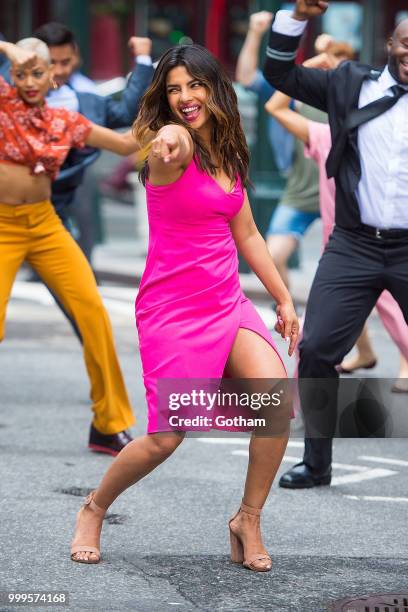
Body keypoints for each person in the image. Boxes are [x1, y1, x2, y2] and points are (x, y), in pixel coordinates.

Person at [70, 43, 299, 570]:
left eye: (193, 85)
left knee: (274, 404)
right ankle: (94, 507)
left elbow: (249, 235)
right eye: (173, 89)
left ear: (214, 87)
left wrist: (284, 299)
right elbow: (167, 141)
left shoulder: (229, 153)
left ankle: (248, 519)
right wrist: (168, 142)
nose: (184, 98)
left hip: (226, 301)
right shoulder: (170, 146)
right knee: (165, 437)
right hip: (173, 310)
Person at [263, 0, 408, 488]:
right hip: (354, 244)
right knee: (318, 349)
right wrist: (297, 18)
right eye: (406, 42)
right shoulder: (351, 85)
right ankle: (317, 463)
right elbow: (278, 73)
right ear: (390, 44)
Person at [0, 38, 142, 455]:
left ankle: (108, 424)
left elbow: (124, 144)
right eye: (21, 73)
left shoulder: (65, 120)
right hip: (3, 226)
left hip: (44, 224)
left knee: (93, 315)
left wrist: (168, 112)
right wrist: (10, 50)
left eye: (37, 72)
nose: (28, 81)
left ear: (53, 75)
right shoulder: (3, 106)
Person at [265, 83, 408, 398]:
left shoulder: (376, 140)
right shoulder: (327, 135)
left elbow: (274, 107)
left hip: (378, 249)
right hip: (346, 253)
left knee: (391, 321)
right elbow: (274, 108)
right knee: (318, 333)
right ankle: (310, 400)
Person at [236, 10, 328, 290]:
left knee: (346, 285)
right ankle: (293, 322)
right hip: (301, 193)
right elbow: (247, 77)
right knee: (272, 257)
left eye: (337, 52)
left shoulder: (352, 94)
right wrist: (254, 32)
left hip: (341, 195)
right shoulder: (299, 94)